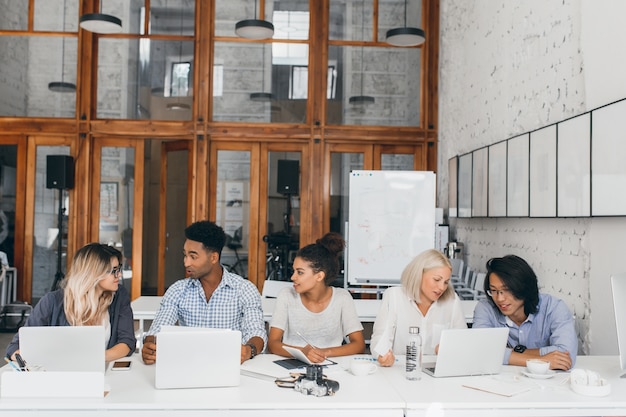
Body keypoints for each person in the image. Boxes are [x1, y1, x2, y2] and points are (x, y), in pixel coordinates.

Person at [141, 221, 266, 364]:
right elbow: (157, 330)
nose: (186, 263)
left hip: (230, 367)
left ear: (213, 257)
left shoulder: (244, 289)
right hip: (189, 366)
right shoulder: (178, 290)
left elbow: (257, 333)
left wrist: (248, 350)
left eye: (193, 256)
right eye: (185, 255)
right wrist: (150, 345)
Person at [6, 243, 136, 362]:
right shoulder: (52, 302)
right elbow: (15, 348)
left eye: (119, 269)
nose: (119, 275)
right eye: (114, 271)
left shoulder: (119, 296)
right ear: (93, 273)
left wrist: (95, 359)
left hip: (102, 374)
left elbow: (127, 341)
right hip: (57, 376)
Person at [267, 232, 365, 362]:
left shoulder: (342, 298)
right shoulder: (286, 295)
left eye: (300, 272)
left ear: (319, 276)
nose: (293, 277)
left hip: (332, 365)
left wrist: (323, 352)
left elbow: (359, 344)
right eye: (294, 271)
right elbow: (273, 344)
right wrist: (303, 352)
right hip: (291, 364)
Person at [472, 254, 577, 370]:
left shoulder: (554, 308)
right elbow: (480, 350)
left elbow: (566, 354)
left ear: (524, 288)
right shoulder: (486, 308)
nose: (500, 298)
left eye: (506, 290)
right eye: (494, 290)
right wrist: (541, 360)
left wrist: (507, 353)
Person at [370, 249, 467, 366]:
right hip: (402, 370)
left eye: (446, 282)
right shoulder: (394, 296)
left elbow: (463, 342)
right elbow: (380, 338)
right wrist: (383, 355)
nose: (442, 287)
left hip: (437, 371)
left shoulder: (452, 300)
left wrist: (448, 350)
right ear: (419, 275)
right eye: (437, 280)